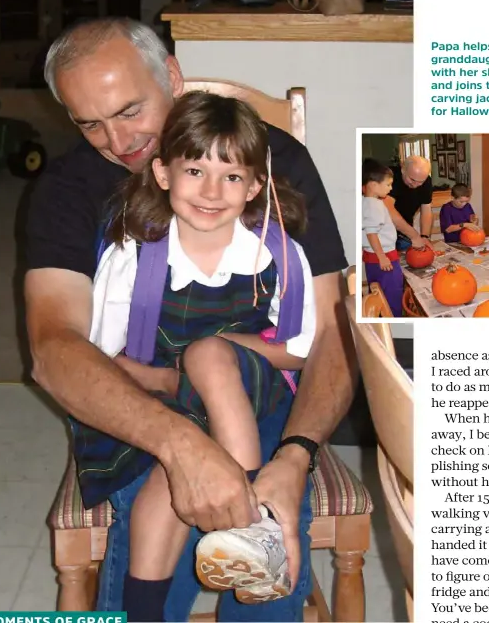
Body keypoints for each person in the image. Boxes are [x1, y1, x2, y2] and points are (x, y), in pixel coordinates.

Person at [25, 17, 355, 621]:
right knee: (165, 506)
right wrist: (182, 446)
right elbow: (56, 349)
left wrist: (295, 456)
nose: (116, 139)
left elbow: (330, 330)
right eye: (89, 122)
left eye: (130, 110)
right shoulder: (68, 191)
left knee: (273, 541)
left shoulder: (273, 165)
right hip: (145, 401)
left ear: (171, 77)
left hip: (257, 398)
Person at [87, 91, 317, 620]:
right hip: (163, 398)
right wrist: (174, 381)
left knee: (211, 356)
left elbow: (300, 352)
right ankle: (142, 611)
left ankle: (250, 527)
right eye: (195, 170)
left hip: (256, 396)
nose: (212, 191)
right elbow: (104, 360)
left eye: (232, 176)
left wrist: (210, 354)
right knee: (165, 486)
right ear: (163, 173)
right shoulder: (135, 255)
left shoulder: (275, 252)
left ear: (255, 185)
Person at [360, 158, 406, 316]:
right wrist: (382, 257)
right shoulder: (375, 205)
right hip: (384, 259)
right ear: (373, 185)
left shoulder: (363, 202)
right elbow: (371, 233)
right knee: (392, 296)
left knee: (377, 292)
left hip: (371, 259)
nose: (391, 188)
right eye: (388, 184)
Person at [389, 155, 436, 250]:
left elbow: (426, 210)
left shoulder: (426, 181)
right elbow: (389, 211)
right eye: (412, 179)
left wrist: (424, 236)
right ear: (403, 170)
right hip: (383, 231)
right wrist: (414, 236)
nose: (415, 185)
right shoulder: (389, 177)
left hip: (404, 232)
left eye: (420, 182)